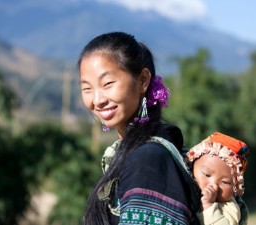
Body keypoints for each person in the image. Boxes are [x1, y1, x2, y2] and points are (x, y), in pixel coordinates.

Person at [77, 31, 200, 225]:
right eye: (87, 88)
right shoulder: (133, 151)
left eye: (107, 83)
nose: (98, 100)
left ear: (143, 80)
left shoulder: (148, 159)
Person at [186, 132, 249, 225]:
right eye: (206, 174)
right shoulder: (183, 185)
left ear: (236, 187)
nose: (213, 185)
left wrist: (208, 206)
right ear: (191, 166)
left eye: (225, 182)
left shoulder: (230, 208)